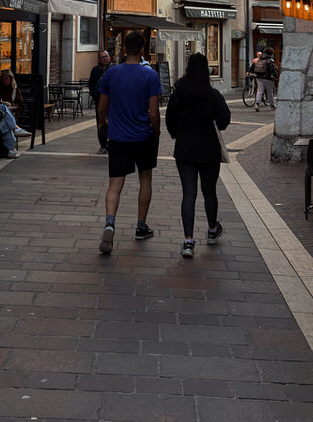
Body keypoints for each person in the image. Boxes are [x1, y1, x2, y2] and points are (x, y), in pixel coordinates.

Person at [96, 31, 162, 254]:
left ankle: (109, 222)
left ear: (124, 49)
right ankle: (141, 226)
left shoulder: (111, 74)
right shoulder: (150, 75)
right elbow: (154, 113)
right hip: (143, 136)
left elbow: (102, 107)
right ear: (142, 50)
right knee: (145, 178)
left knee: (115, 184)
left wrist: (102, 123)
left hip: (118, 136)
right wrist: (157, 131)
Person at [165, 52, 231, 259]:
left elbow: (169, 118)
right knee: (209, 190)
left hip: (185, 148)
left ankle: (188, 240)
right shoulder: (212, 95)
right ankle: (212, 230)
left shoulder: (179, 93)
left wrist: (177, 134)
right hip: (208, 149)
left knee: (189, 193)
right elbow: (224, 120)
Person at [87, 50, 112, 153]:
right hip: (100, 101)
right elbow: (91, 85)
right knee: (101, 122)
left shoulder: (114, 69)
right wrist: (96, 95)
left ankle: (111, 144)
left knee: (112, 122)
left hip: (112, 101)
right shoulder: (95, 70)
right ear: (99, 59)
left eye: (106, 56)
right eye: (102, 57)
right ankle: (102, 145)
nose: (105, 58)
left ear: (109, 57)